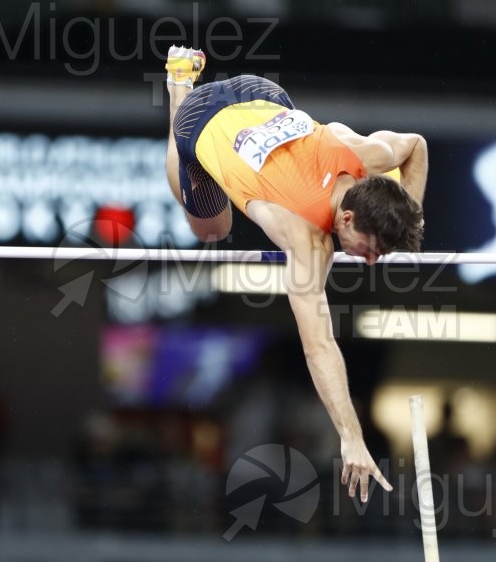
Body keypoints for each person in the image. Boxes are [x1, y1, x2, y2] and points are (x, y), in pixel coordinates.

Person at [163, 47, 428, 503]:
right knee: (212, 229)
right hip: (200, 120)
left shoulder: (362, 154)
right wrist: (350, 436)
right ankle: (178, 82)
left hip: (261, 94)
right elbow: (318, 345)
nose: (369, 262)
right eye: (368, 249)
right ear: (345, 220)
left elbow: (416, 146)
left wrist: (410, 218)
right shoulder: (305, 239)